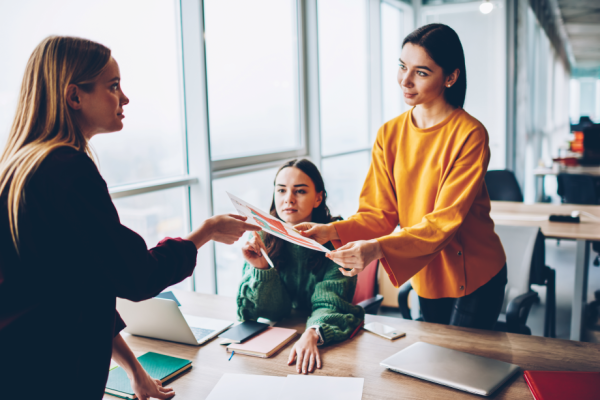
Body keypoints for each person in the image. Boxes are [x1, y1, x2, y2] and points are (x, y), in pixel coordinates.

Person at [0, 36, 260, 400]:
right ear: (74, 96)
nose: (124, 98)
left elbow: (79, 287)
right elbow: (138, 276)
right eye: (113, 86)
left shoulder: (18, 170)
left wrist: (135, 371)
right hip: (53, 376)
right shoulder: (68, 171)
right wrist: (205, 232)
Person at [296, 24, 507, 331]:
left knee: (462, 366)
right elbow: (379, 214)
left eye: (421, 72)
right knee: (436, 364)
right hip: (426, 268)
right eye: (402, 67)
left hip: (475, 271)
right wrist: (330, 231)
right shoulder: (390, 133)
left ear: (450, 77)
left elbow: (444, 222)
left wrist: (378, 248)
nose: (405, 81)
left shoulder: (470, 134)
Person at [237, 159, 364, 375]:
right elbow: (266, 311)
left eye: (300, 191)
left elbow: (331, 302)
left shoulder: (337, 238)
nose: (288, 199)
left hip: (324, 342)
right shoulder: (261, 235)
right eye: (281, 190)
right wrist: (262, 270)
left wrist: (314, 332)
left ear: (318, 198)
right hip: (278, 340)